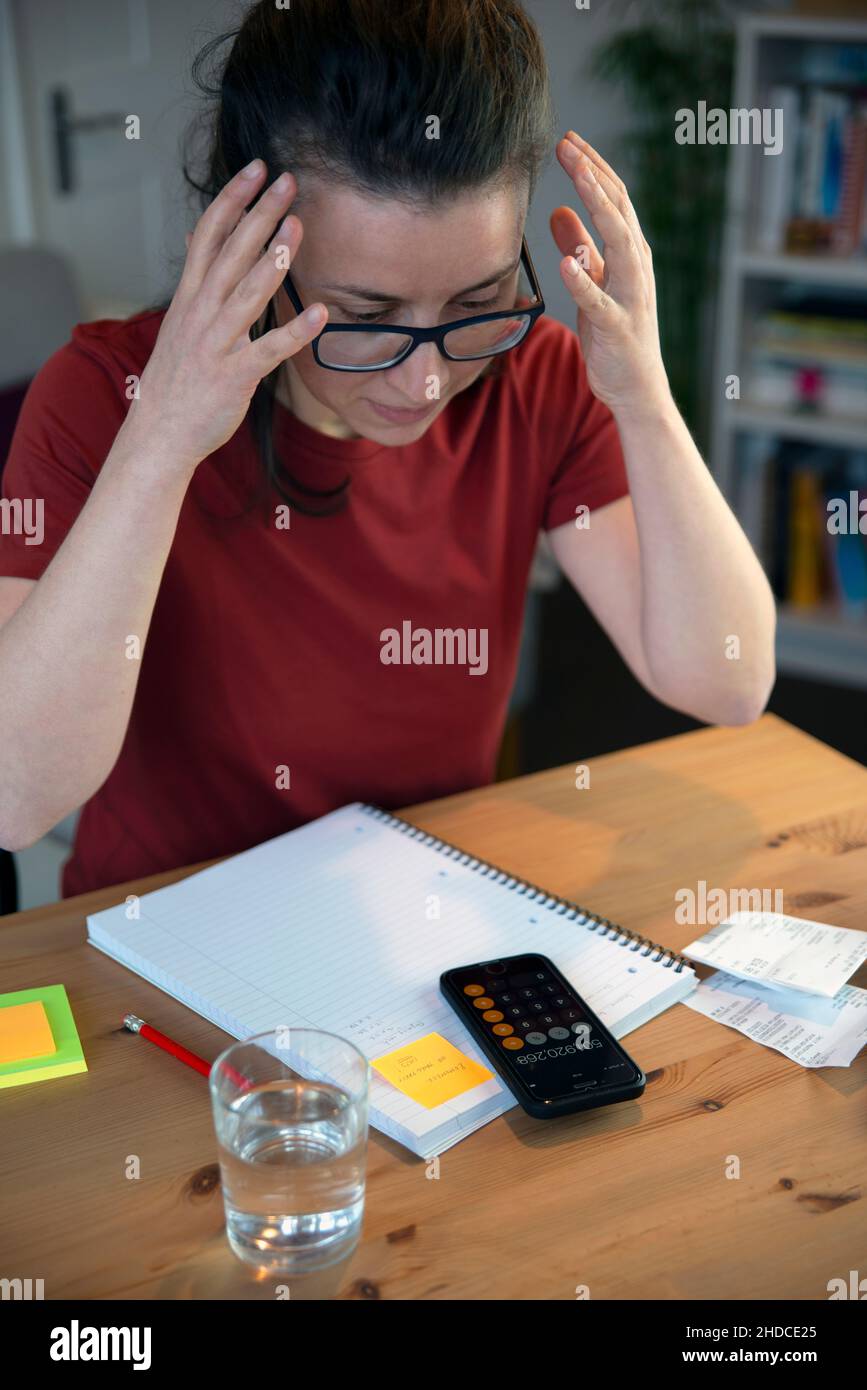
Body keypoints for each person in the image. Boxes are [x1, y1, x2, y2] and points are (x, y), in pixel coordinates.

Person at [0, 0, 775, 896]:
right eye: (365, 319)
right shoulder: (110, 395)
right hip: (161, 933)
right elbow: (17, 799)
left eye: (476, 300)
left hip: (423, 909)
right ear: (246, 246)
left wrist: (645, 398)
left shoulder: (539, 377)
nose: (427, 381)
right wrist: (163, 443)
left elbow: (727, 682)